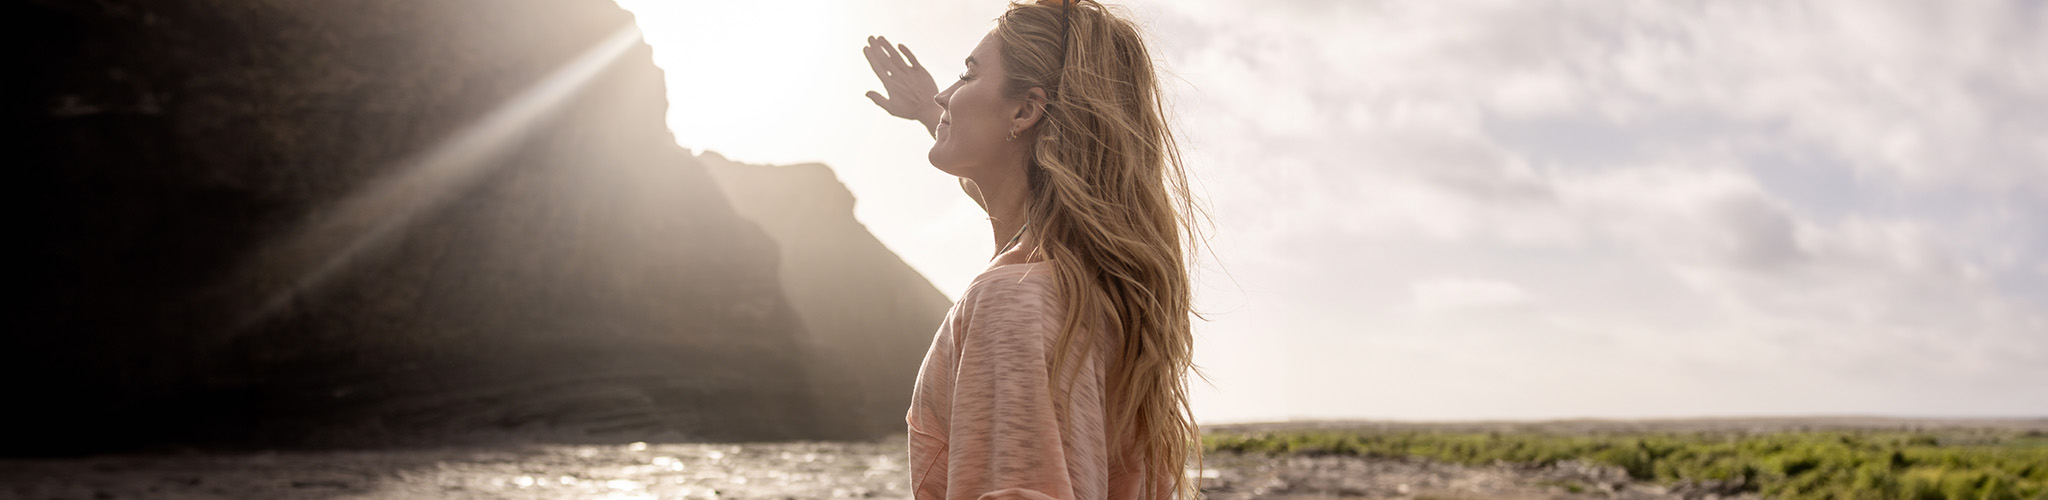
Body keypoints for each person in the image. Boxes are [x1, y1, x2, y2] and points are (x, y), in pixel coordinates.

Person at [863, 1, 1208, 499]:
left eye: (966, 75)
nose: (943, 94)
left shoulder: (1014, 299)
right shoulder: (1083, 288)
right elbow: (1011, 191)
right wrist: (929, 114)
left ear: (1024, 111)